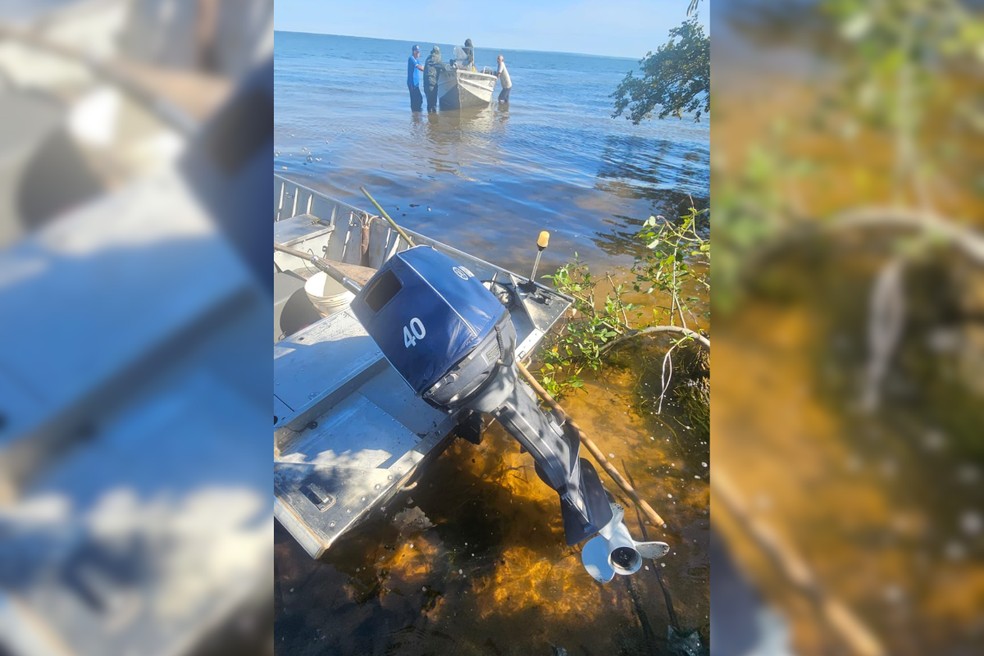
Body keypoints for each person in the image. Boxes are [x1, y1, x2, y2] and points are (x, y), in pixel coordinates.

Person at [423, 46, 442, 112]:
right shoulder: (436, 58)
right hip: (432, 84)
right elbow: (443, 66)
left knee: (429, 105)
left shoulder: (428, 58)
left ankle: (429, 120)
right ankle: (433, 121)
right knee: (433, 106)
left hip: (425, 84)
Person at [406, 44, 424, 112]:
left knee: (419, 99)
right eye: (418, 52)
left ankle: (416, 114)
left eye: (419, 52)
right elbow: (419, 67)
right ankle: (414, 115)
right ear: (414, 52)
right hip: (412, 83)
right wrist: (427, 70)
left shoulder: (417, 60)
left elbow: (422, 66)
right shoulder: (411, 58)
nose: (419, 53)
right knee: (415, 100)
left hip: (416, 84)